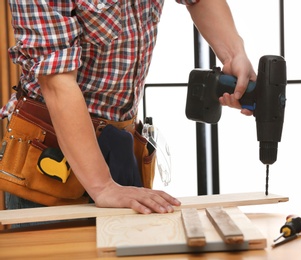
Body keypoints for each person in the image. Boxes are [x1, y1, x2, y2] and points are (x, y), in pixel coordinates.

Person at [1, 0, 257, 214]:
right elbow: (57, 82)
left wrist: (233, 54)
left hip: (120, 145)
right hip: (50, 155)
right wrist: (103, 187)